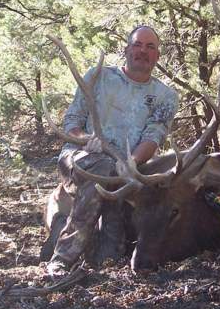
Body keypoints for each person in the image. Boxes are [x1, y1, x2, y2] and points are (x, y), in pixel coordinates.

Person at [46, 25, 179, 277]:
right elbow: (72, 122)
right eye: (138, 44)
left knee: (134, 184)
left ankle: (109, 257)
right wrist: (87, 139)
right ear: (127, 49)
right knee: (102, 166)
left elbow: (154, 136)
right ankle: (63, 257)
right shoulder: (98, 77)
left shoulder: (166, 96)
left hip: (124, 166)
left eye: (150, 47)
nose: (143, 51)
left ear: (157, 55)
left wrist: (133, 161)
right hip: (78, 157)